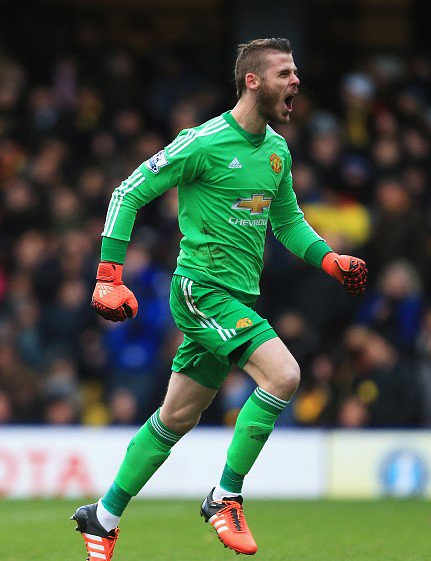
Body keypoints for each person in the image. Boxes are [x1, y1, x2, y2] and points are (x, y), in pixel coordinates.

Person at [70, 38, 367, 559]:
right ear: (253, 81)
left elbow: (288, 223)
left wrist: (328, 260)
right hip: (200, 289)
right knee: (284, 374)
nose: (296, 81)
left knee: (175, 419)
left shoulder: (277, 152)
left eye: (296, 72)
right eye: (285, 73)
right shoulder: (202, 142)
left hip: (238, 299)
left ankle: (104, 514)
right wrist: (108, 274)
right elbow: (127, 192)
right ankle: (224, 496)